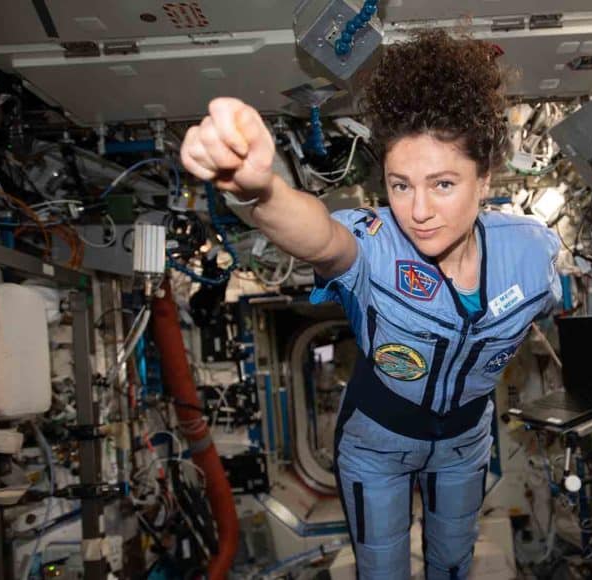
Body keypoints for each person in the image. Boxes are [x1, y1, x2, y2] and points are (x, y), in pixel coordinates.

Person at [180, 29, 560, 580]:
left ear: (484, 180)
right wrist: (260, 191)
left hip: (464, 441)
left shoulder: (531, 253)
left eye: (443, 184)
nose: (419, 210)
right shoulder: (374, 248)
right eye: (400, 185)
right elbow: (321, 239)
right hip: (377, 442)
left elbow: (550, 307)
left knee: (453, 562)